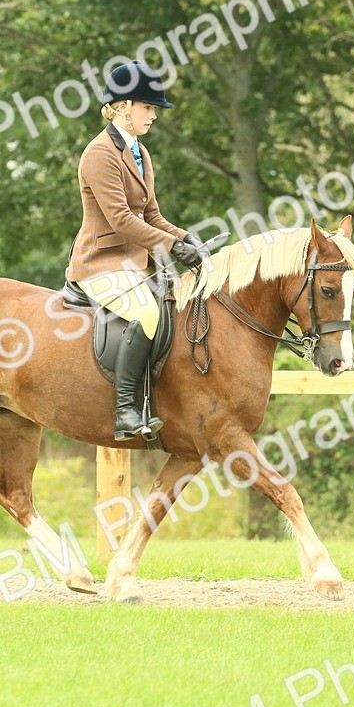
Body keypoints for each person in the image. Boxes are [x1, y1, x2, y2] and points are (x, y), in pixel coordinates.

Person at [65, 60, 207, 441]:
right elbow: (122, 220)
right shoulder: (99, 154)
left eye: (154, 108)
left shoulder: (140, 152)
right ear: (124, 105)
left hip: (130, 265)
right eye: (148, 107)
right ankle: (125, 410)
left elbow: (152, 214)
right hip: (99, 264)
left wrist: (186, 237)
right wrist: (173, 248)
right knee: (146, 311)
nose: (154, 115)